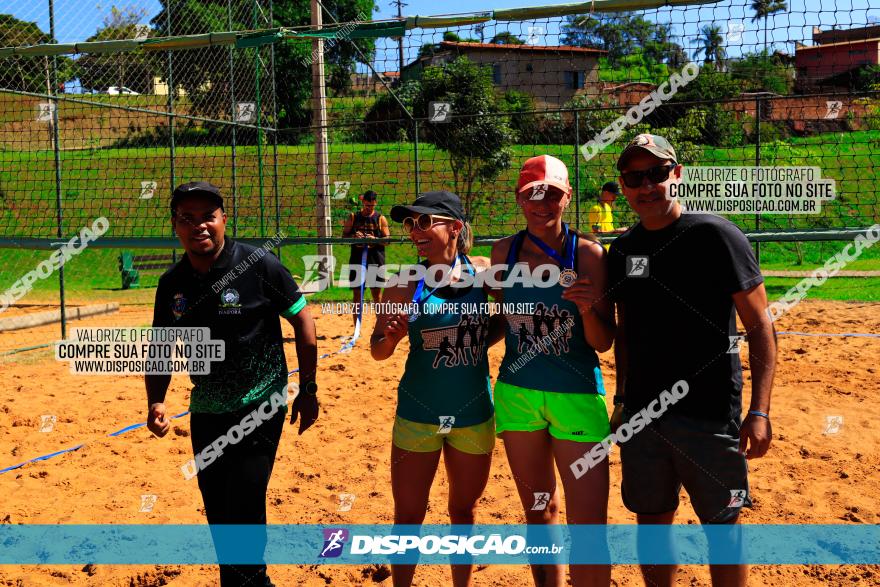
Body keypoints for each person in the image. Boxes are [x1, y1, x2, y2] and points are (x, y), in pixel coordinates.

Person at [608, 134, 777, 587]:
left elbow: (760, 325)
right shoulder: (622, 251)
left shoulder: (715, 235)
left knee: (722, 526)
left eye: (656, 174)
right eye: (633, 177)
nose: (646, 186)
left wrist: (759, 411)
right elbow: (623, 332)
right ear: (623, 186)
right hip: (644, 415)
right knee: (651, 521)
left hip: (707, 412)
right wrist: (622, 399)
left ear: (676, 174)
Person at [146, 181, 319, 587]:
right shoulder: (172, 284)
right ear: (175, 225)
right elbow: (160, 347)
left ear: (224, 219)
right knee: (220, 513)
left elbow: (304, 324)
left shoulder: (259, 265)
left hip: (261, 402)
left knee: (243, 503)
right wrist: (156, 402)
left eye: (208, 215)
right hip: (207, 409)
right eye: (187, 218)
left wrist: (308, 389)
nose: (199, 225)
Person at [489, 155, 616, 586]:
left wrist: (585, 309)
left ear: (566, 197)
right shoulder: (503, 251)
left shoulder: (589, 253)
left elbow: (602, 341)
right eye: (532, 194)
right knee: (539, 512)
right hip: (518, 390)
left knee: (588, 523)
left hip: (576, 393)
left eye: (553, 194)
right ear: (520, 198)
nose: (542, 203)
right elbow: (502, 320)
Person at [370, 191, 503, 587]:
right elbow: (377, 351)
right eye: (410, 224)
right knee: (409, 516)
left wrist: (476, 341)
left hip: (473, 412)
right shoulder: (403, 283)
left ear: (455, 228)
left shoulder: (483, 273)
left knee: (463, 511)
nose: (414, 231)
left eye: (424, 222)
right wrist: (390, 340)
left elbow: (509, 317)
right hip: (418, 413)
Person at [342, 190, 390, 324]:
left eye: (372, 206)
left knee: (377, 295)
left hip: (376, 260)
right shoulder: (353, 217)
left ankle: (380, 326)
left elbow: (387, 240)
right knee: (357, 295)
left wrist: (375, 239)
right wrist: (354, 237)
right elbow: (343, 237)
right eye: (367, 205)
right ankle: (357, 329)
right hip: (357, 260)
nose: (370, 209)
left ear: (376, 203)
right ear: (363, 202)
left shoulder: (381, 218)